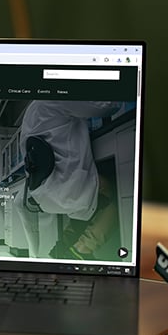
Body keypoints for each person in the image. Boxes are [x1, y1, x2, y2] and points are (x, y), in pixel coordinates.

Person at [14, 100, 121, 258]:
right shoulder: (58, 99)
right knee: (114, 191)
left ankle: (61, 248)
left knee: (86, 196)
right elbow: (110, 107)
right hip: (66, 187)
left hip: (46, 193)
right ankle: (82, 249)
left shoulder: (32, 110)